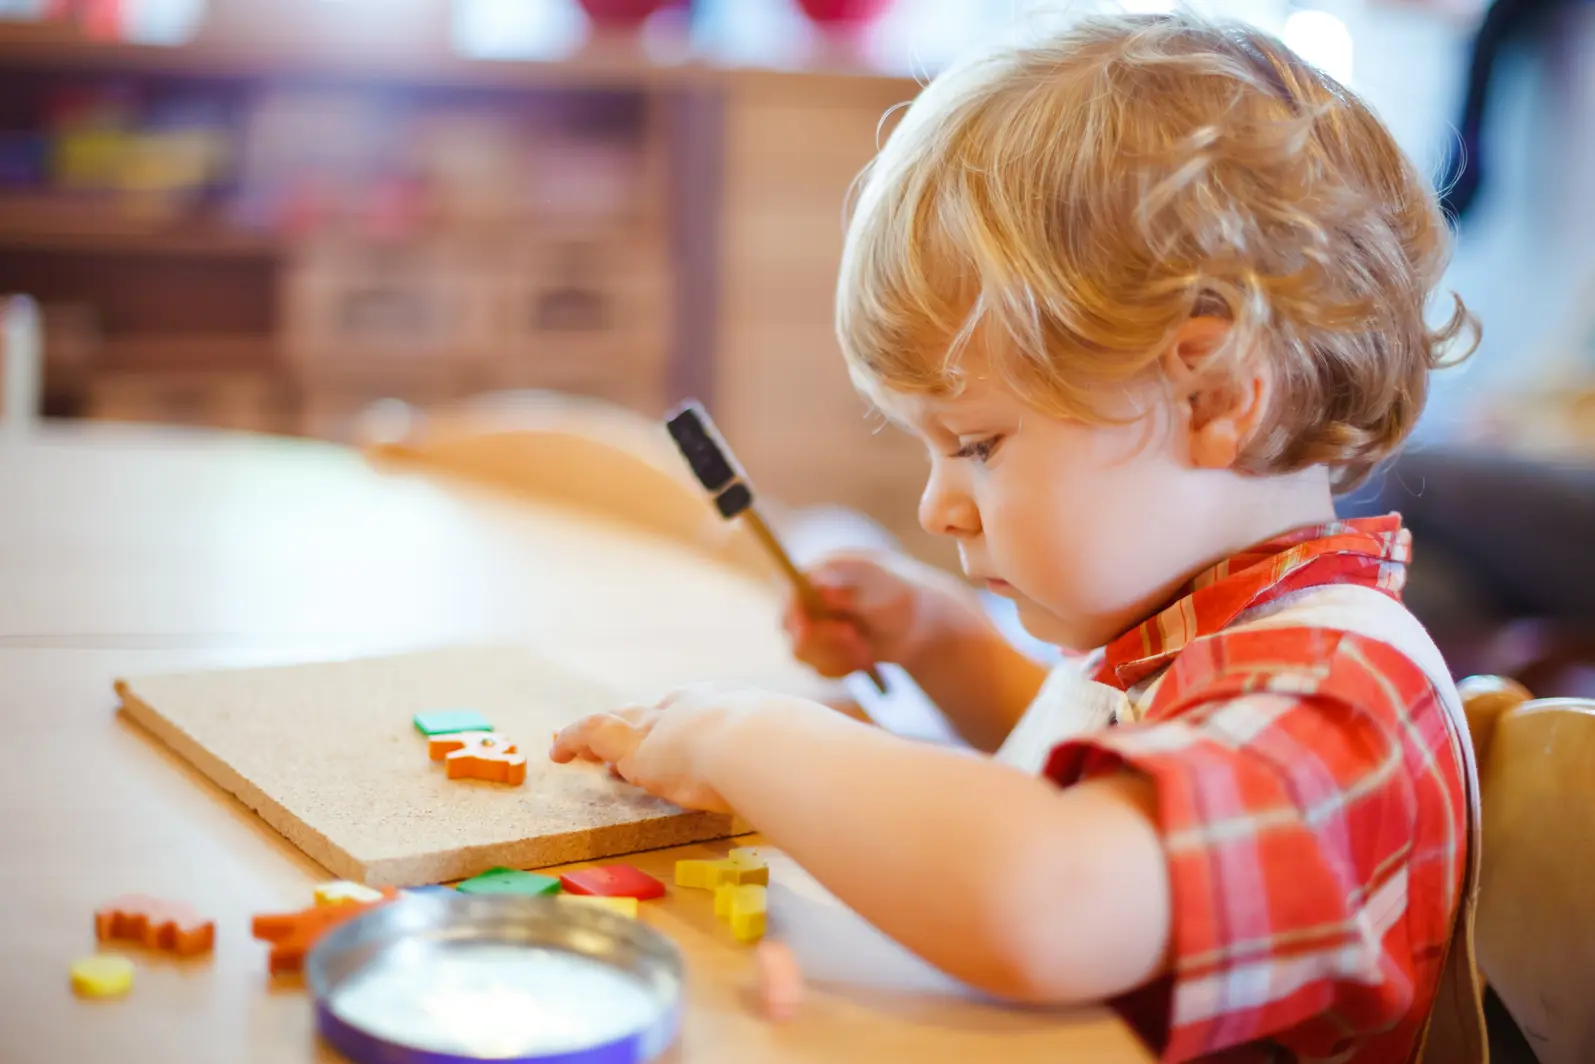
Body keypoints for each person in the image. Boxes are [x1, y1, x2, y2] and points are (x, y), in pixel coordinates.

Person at [551, 12, 1486, 1061]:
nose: (935, 507)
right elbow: (1093, 757)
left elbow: (1052, 895)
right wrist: (941, 643)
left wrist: (747, 738)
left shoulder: (1335, 698)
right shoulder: (1207, 628)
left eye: (979, 444)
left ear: (1216, 394)